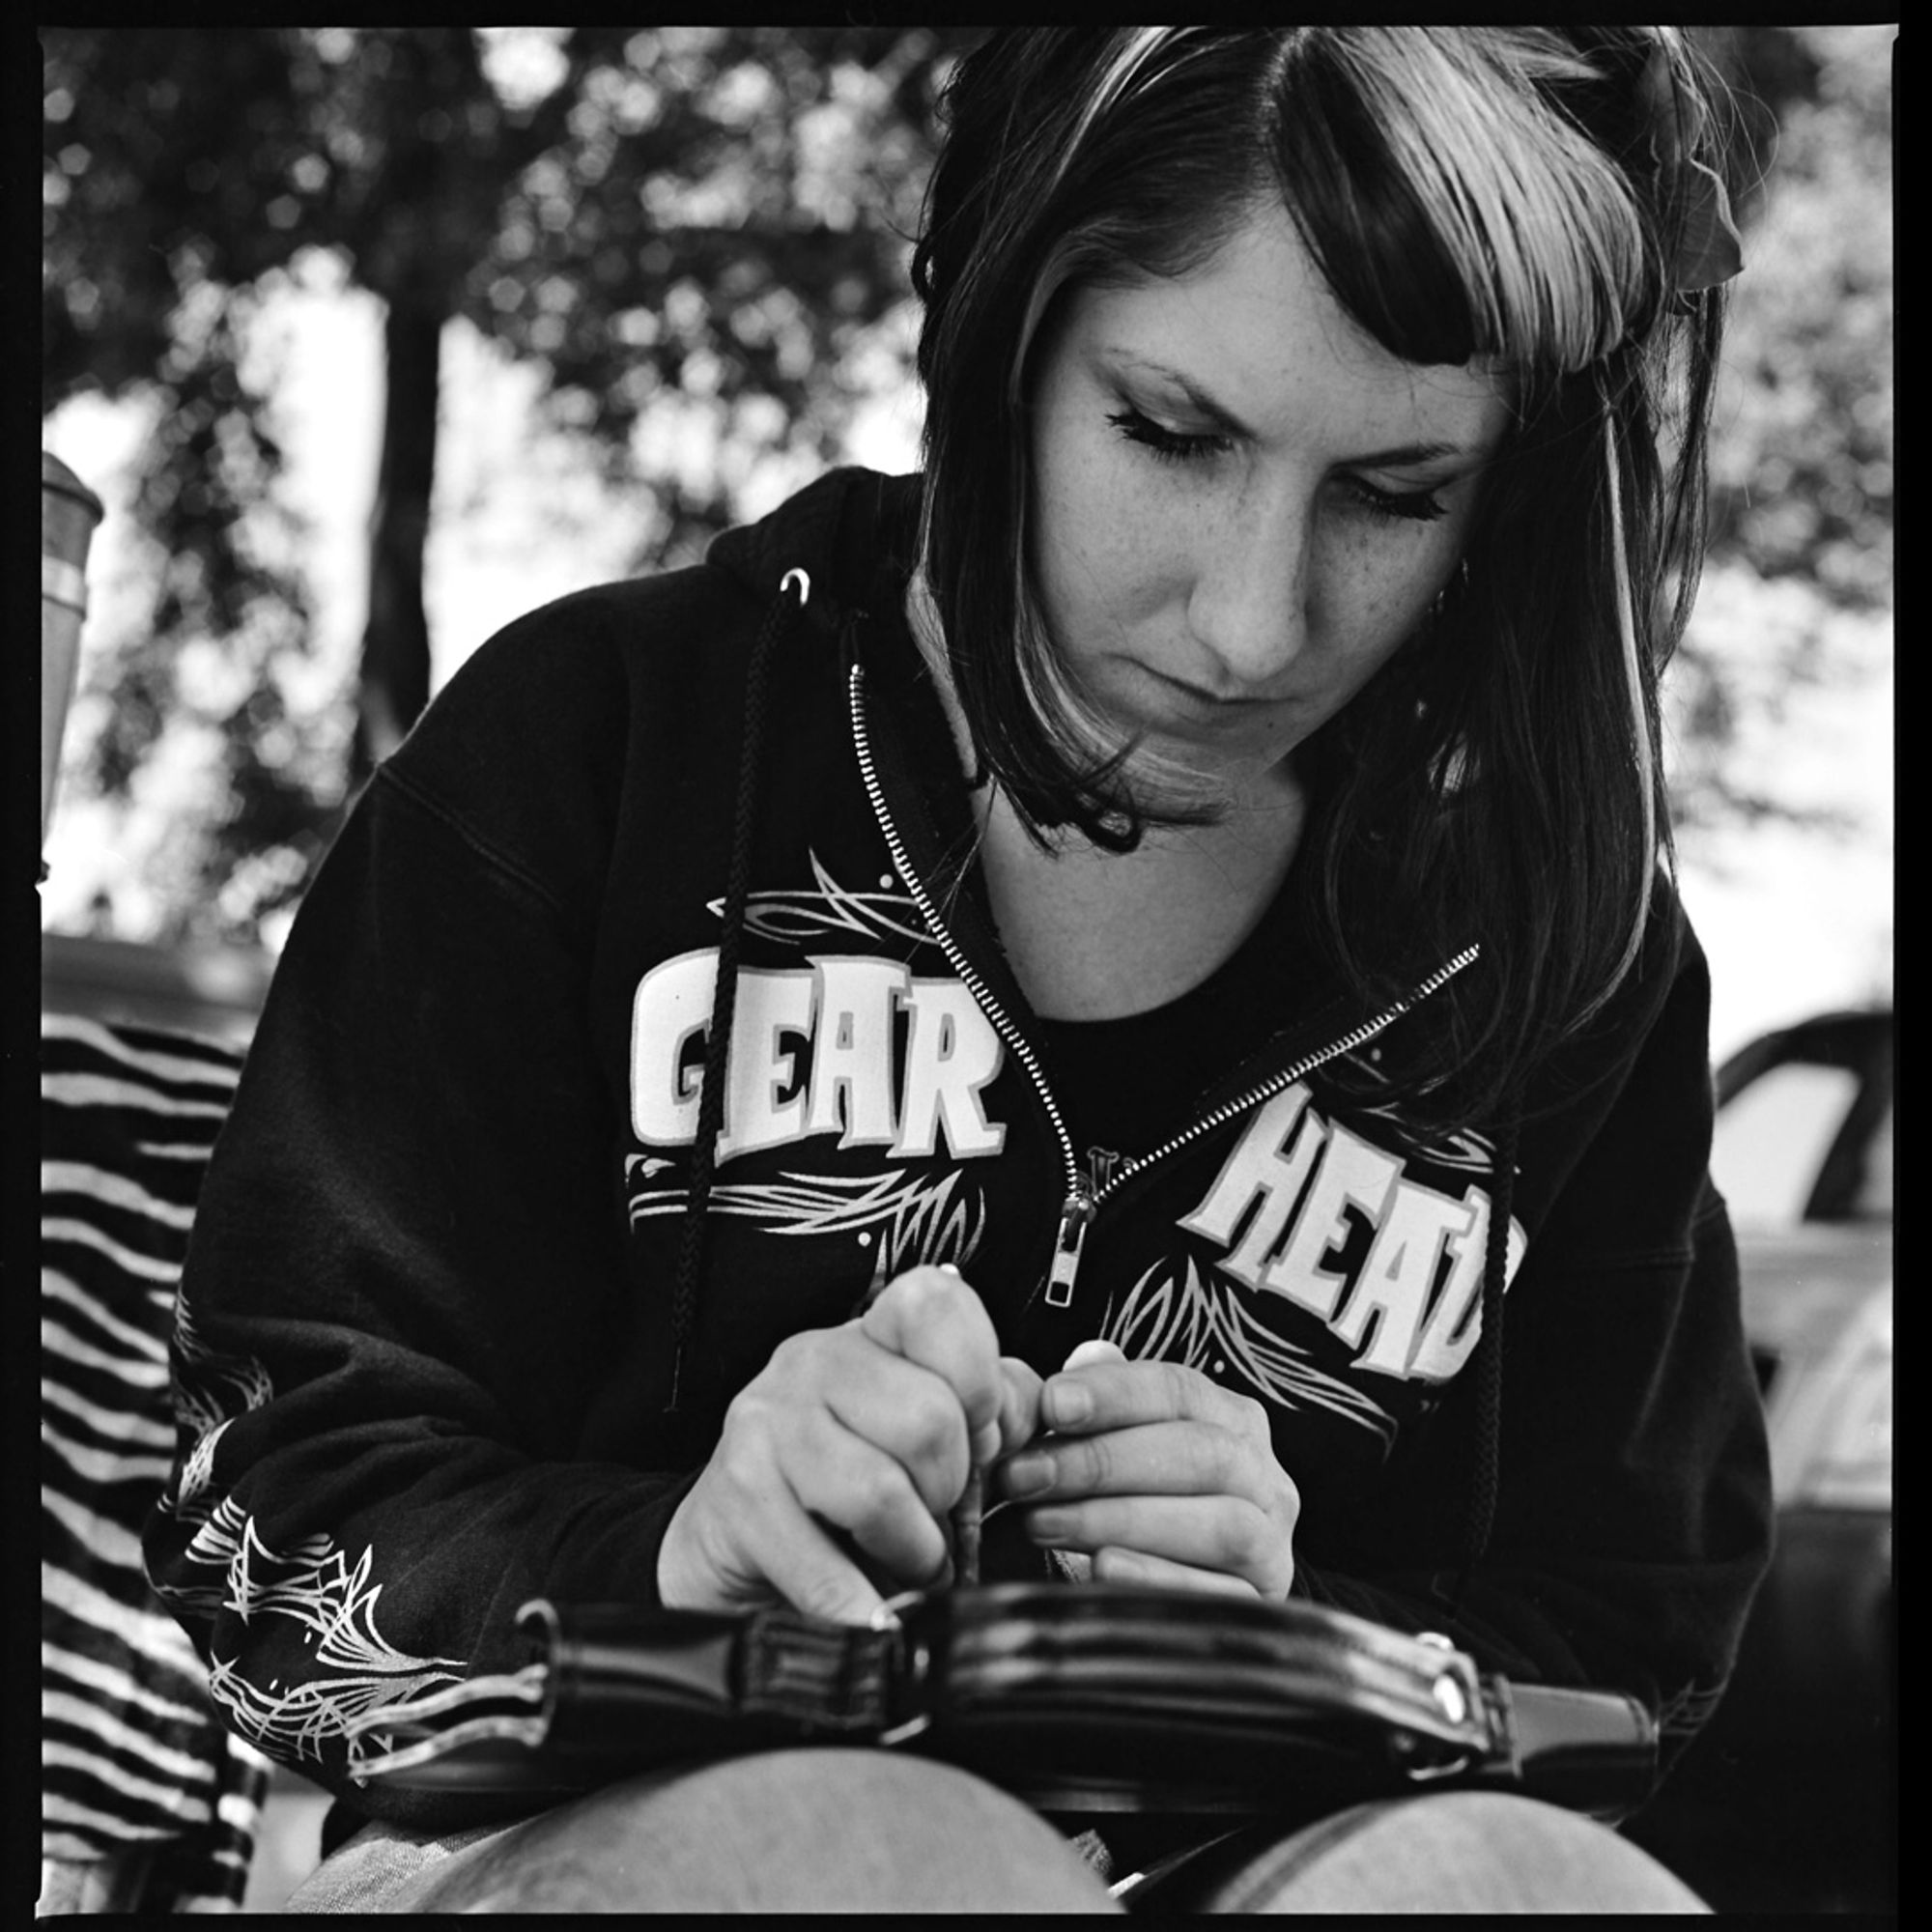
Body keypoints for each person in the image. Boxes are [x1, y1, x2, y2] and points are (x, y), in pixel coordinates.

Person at [143, 26, 1771, 1913]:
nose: (1253, 620)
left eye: (1394, 492)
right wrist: (677, 1553)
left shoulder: (1562, 946)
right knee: (883, 1868)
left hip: (1254, 1861)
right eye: (1170, 432)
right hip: (528, 1836)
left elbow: (1633, 1637)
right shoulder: (593, 749)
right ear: (998, 336)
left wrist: (1303, 1642)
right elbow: (263, 1507)